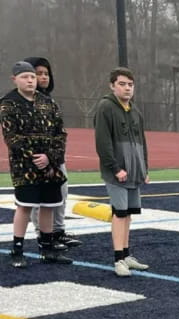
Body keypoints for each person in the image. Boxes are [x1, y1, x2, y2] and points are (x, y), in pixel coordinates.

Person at [1, 60, 71, 268]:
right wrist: (35, 157)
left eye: (32, 77)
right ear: (15, 79)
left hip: (49, 166)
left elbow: (61, 133)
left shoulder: (48, 102)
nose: (30, 80)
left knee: (49, 206)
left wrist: (49, 157)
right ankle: (17, 249)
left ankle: (47, 248)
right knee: (25, 206)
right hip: (24, 166)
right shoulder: (8, 103)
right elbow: (11, 137)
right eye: (25, 77)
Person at [93, 66, 150, 277]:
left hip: (135, 173)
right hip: (117, 174)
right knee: (119, 213)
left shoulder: (135, 111)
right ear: (112, 85)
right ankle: (118, 260)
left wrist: (144, 169)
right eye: (122, 84)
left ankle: (126, 255)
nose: (127, 88)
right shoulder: (106, 108)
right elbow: (102, 143)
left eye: (130, 85)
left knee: (129, 215)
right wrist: (115, 168)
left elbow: (142, 143)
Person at [24, 56, 81, 248]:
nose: (43, 77)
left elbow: (59, 130)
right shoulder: (25, 101)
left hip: (56, 158)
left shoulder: (50, 101)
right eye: (38, 73)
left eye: (46, 73)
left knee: (61, 194)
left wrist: (55, 153)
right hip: (38, 159)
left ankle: (58, 231)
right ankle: (42, 232)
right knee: (40, 200)